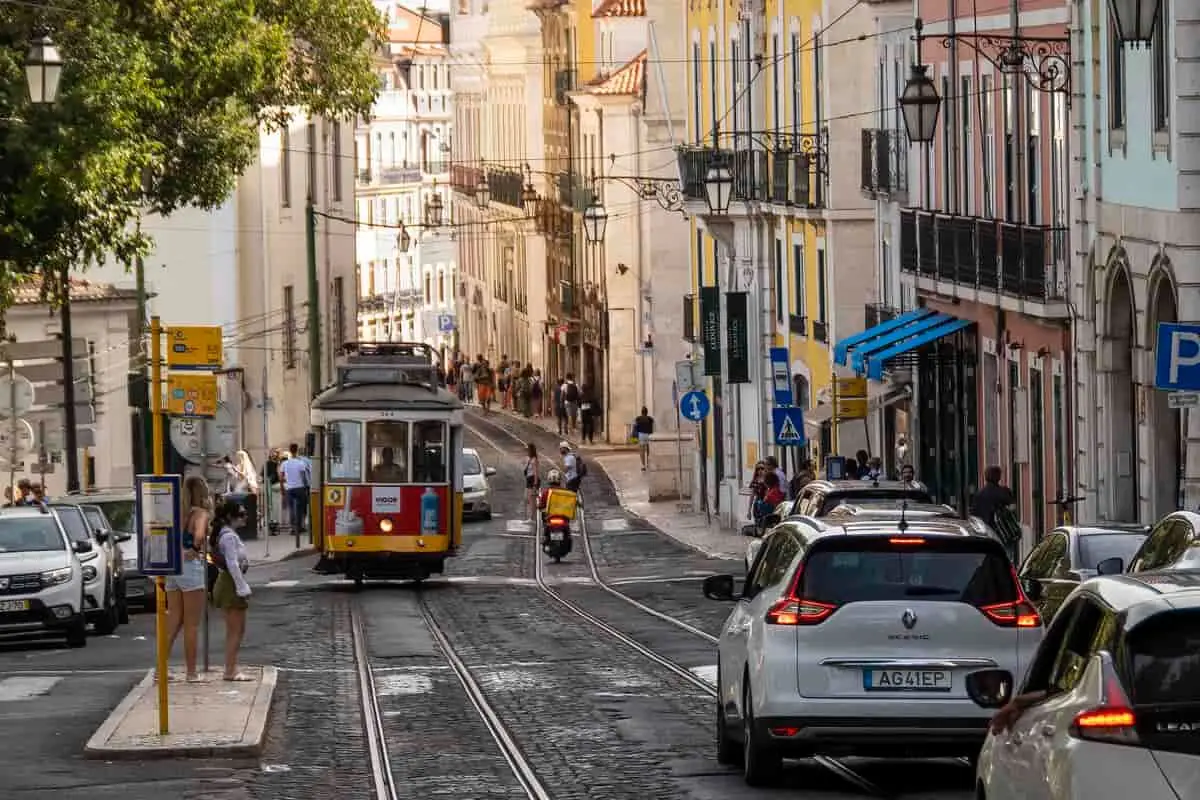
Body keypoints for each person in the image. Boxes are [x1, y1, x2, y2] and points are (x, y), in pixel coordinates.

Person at [167, 475, 211, 682]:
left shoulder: (178, 513)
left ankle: (161, 669)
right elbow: (200, 535)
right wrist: (194, 548)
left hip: (173, 567)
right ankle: (191, 672)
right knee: (192, 624)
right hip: (190, 567)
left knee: (173, 620)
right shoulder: (200, 513)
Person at [208, 499, 254, 681]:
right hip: (230, 584)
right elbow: (232, 563)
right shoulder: (228, 537)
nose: (244, 518)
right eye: (241, 515)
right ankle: (230, 669)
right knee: (235, 630)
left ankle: (232, 667)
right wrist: (242, 586)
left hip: (229, 583)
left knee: (237, 629)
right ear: (230, 517)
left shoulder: (229, 534)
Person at [972, 465, 1020, 560]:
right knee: (1007, 557)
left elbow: (974, 514)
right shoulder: (1003, 492)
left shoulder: (979, 494)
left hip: (985, 530)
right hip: (1004, 531)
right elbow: (1013, 508)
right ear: (998, 477)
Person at [279, 443, 311, 534]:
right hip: (300, 488)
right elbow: (303, 477)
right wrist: (306, 487)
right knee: (300, 508)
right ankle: (299, 527)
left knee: (291, 508)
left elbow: (281, 478)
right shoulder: (300, 463)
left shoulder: (284, 463)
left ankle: (293, 528)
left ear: (290, 450)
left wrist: (282, 488)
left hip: (289, 488)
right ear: (297, 450)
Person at [523, 442, 541, 521]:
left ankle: (532, 517)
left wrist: (535, 484)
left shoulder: (534, 460)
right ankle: (531, 516)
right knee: (527, 498)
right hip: (528, 479)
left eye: (528, 450)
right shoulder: (528, 459)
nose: (526, 451)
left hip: (532, 480)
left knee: (531, 500)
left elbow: (536, 473)